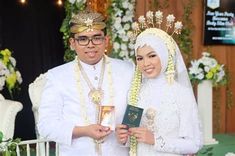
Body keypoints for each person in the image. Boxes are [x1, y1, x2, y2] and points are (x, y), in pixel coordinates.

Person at [38, 9, 133, 156]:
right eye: (83, 39)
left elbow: (138, 110)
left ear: (106, 40)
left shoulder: (127, 70)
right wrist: (83, 131)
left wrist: (127, 134)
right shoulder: (57, 76)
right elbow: (45, 125)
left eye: (97, 38)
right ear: (72, 43)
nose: (90, 45)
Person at [116, 11, 203, 156]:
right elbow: (130, 134)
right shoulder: (135, 92)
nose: (146, 63)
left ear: (164, 55)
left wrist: (155, 140)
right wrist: (123, 137)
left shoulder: (181, 93)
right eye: (140, 58)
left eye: (152, 55)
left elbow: (194, 144)